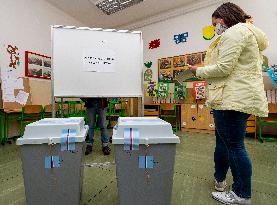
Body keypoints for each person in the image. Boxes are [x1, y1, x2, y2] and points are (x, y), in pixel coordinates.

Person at [189, 2, 268, 205]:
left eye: (216, 23)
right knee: (226, 144)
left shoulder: (235, 32)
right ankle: (220, 180)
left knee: (234, 147)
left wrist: (198, 71)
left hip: (231, 99)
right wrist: (206, 68)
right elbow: (229, 66)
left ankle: (241, 194)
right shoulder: (246, 32)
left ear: (223, 19)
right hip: (234, 96)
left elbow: (224, 68)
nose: (216, 27)